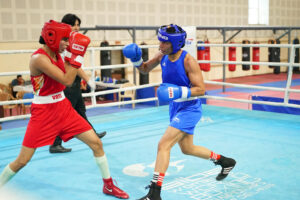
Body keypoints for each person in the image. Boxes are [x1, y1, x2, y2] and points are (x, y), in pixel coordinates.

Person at [0, 20, 129, 199]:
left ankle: (108, 185)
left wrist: (85, 73)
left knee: (96, 144)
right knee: (22, 160)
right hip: (44, 112)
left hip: (63, 108)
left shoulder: (58, 52)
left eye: (69, 40)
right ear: (52, 38)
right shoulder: (39, 58)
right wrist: (78, 55)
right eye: (65, 40)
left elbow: (73, 67)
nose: (68, 44)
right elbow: (67, 79)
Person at [123, 24, 236, 200]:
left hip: (189, 108)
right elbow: (144, 69)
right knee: (188, 149)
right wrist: (136, 60)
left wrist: (178, 91)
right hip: (175, 107)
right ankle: (225, 161)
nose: (159, 45)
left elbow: (201, 89)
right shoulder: (162, 55)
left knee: (163, 145)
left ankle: (154, 193)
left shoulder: (188, 61)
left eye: (163, 42)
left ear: (174, 44)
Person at [49, 13, 106, 154]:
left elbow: (75, 65)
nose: (77, 27)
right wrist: (88, 79)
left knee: (81, 110)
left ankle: (92, 133)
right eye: (74, 24)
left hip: (73, 81)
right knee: (63, 114)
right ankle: (55, 143)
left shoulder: (73, 40)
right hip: (65, 82)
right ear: (66, 25)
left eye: (78, 25)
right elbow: (73, 65)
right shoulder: (64, 42)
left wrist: (81, 80)